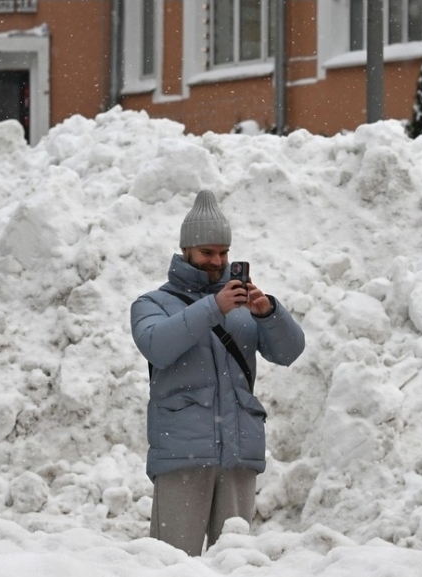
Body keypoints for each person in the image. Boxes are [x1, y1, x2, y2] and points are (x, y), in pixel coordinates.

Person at [130, 190, 305, 556]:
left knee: (235, 560)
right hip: (182, 453)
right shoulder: (152, 304)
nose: (217, 261)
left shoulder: (243, 305)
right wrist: (214, 307)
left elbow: (289, 352)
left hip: (238, 453)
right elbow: (157, 346)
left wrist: (269, 313)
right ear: (186, 250)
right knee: (171, 560)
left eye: (223, 253)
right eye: (207, 252)